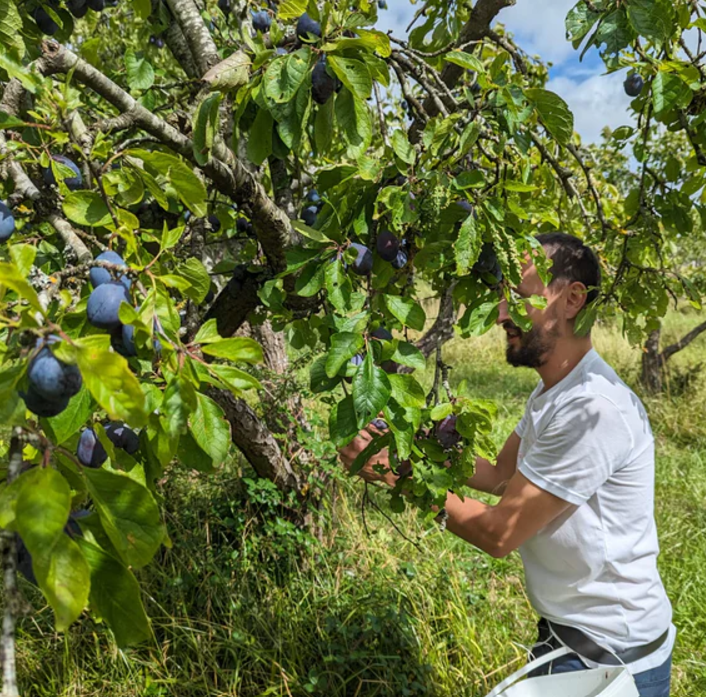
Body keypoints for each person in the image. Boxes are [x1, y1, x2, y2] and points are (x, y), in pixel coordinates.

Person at [338, 233, 675, 697]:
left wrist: (395, 474)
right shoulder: (554, 391)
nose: (500, 316)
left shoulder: (592, 410)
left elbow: (500, 533)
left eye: (518, 299)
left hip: (612, 662)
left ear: (573, 298)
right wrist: (406, 440)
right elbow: (500, 475)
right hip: (574, 642)